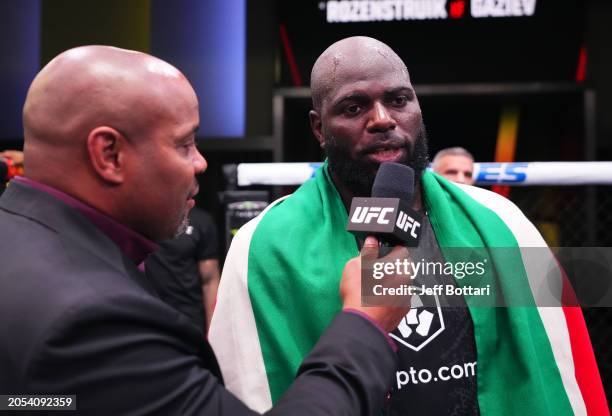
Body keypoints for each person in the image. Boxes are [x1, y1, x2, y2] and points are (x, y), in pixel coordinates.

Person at [0, 45, 414, 415]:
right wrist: (365, 321)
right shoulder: (94, 319)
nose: (201, 163)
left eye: (399, 100)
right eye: (184, 144)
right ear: (109, 154)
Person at [210, 36, 608, 415]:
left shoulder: (502, 222)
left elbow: (562, 363)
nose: (382, 120)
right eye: (354, 107)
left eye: (398, 100)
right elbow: (246, 387)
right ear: (318, 128)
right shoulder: (262, 248)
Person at [146, 206, 221, 333]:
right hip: (147, 316)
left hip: (189, 320)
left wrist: (213, 332)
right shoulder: (141, 216)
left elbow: (210, 280)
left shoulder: (201, 220)